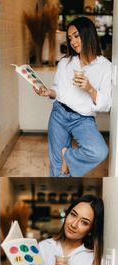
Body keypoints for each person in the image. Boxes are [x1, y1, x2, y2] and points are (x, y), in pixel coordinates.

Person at [34, 16, 112, 177]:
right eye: (70, 38)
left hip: (83, 119)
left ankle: (67, 156)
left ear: (88, 34)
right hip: (59, 113)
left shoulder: (105, 67)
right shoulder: (66, 62)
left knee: (99, 152)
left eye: (76, 36)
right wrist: (49, 92)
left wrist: (89, 88)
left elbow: (107, 104)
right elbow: (58, 90)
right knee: (58, 169)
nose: (73, 42)